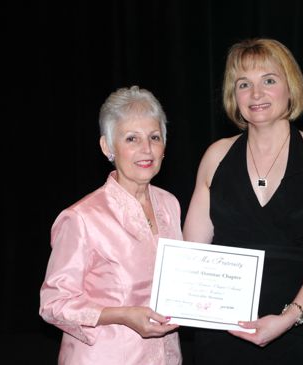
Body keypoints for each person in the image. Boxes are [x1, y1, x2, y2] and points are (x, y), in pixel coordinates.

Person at [183, 38, 303, 364]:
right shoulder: (215, 156)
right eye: (244, 84)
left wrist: (289, 318)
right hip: (222, 336)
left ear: (291, 88)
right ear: (235, 96)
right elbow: (193, 255)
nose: (256, 94)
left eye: (269, 81)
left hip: (301, 334)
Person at [39, 85, 183, 364]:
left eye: (154, 137)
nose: (147, 149)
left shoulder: (170, 204)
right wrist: (121, 314)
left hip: (166, 356)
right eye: (132, 138)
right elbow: (53, 304)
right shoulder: (81, 218)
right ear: (108, 147)